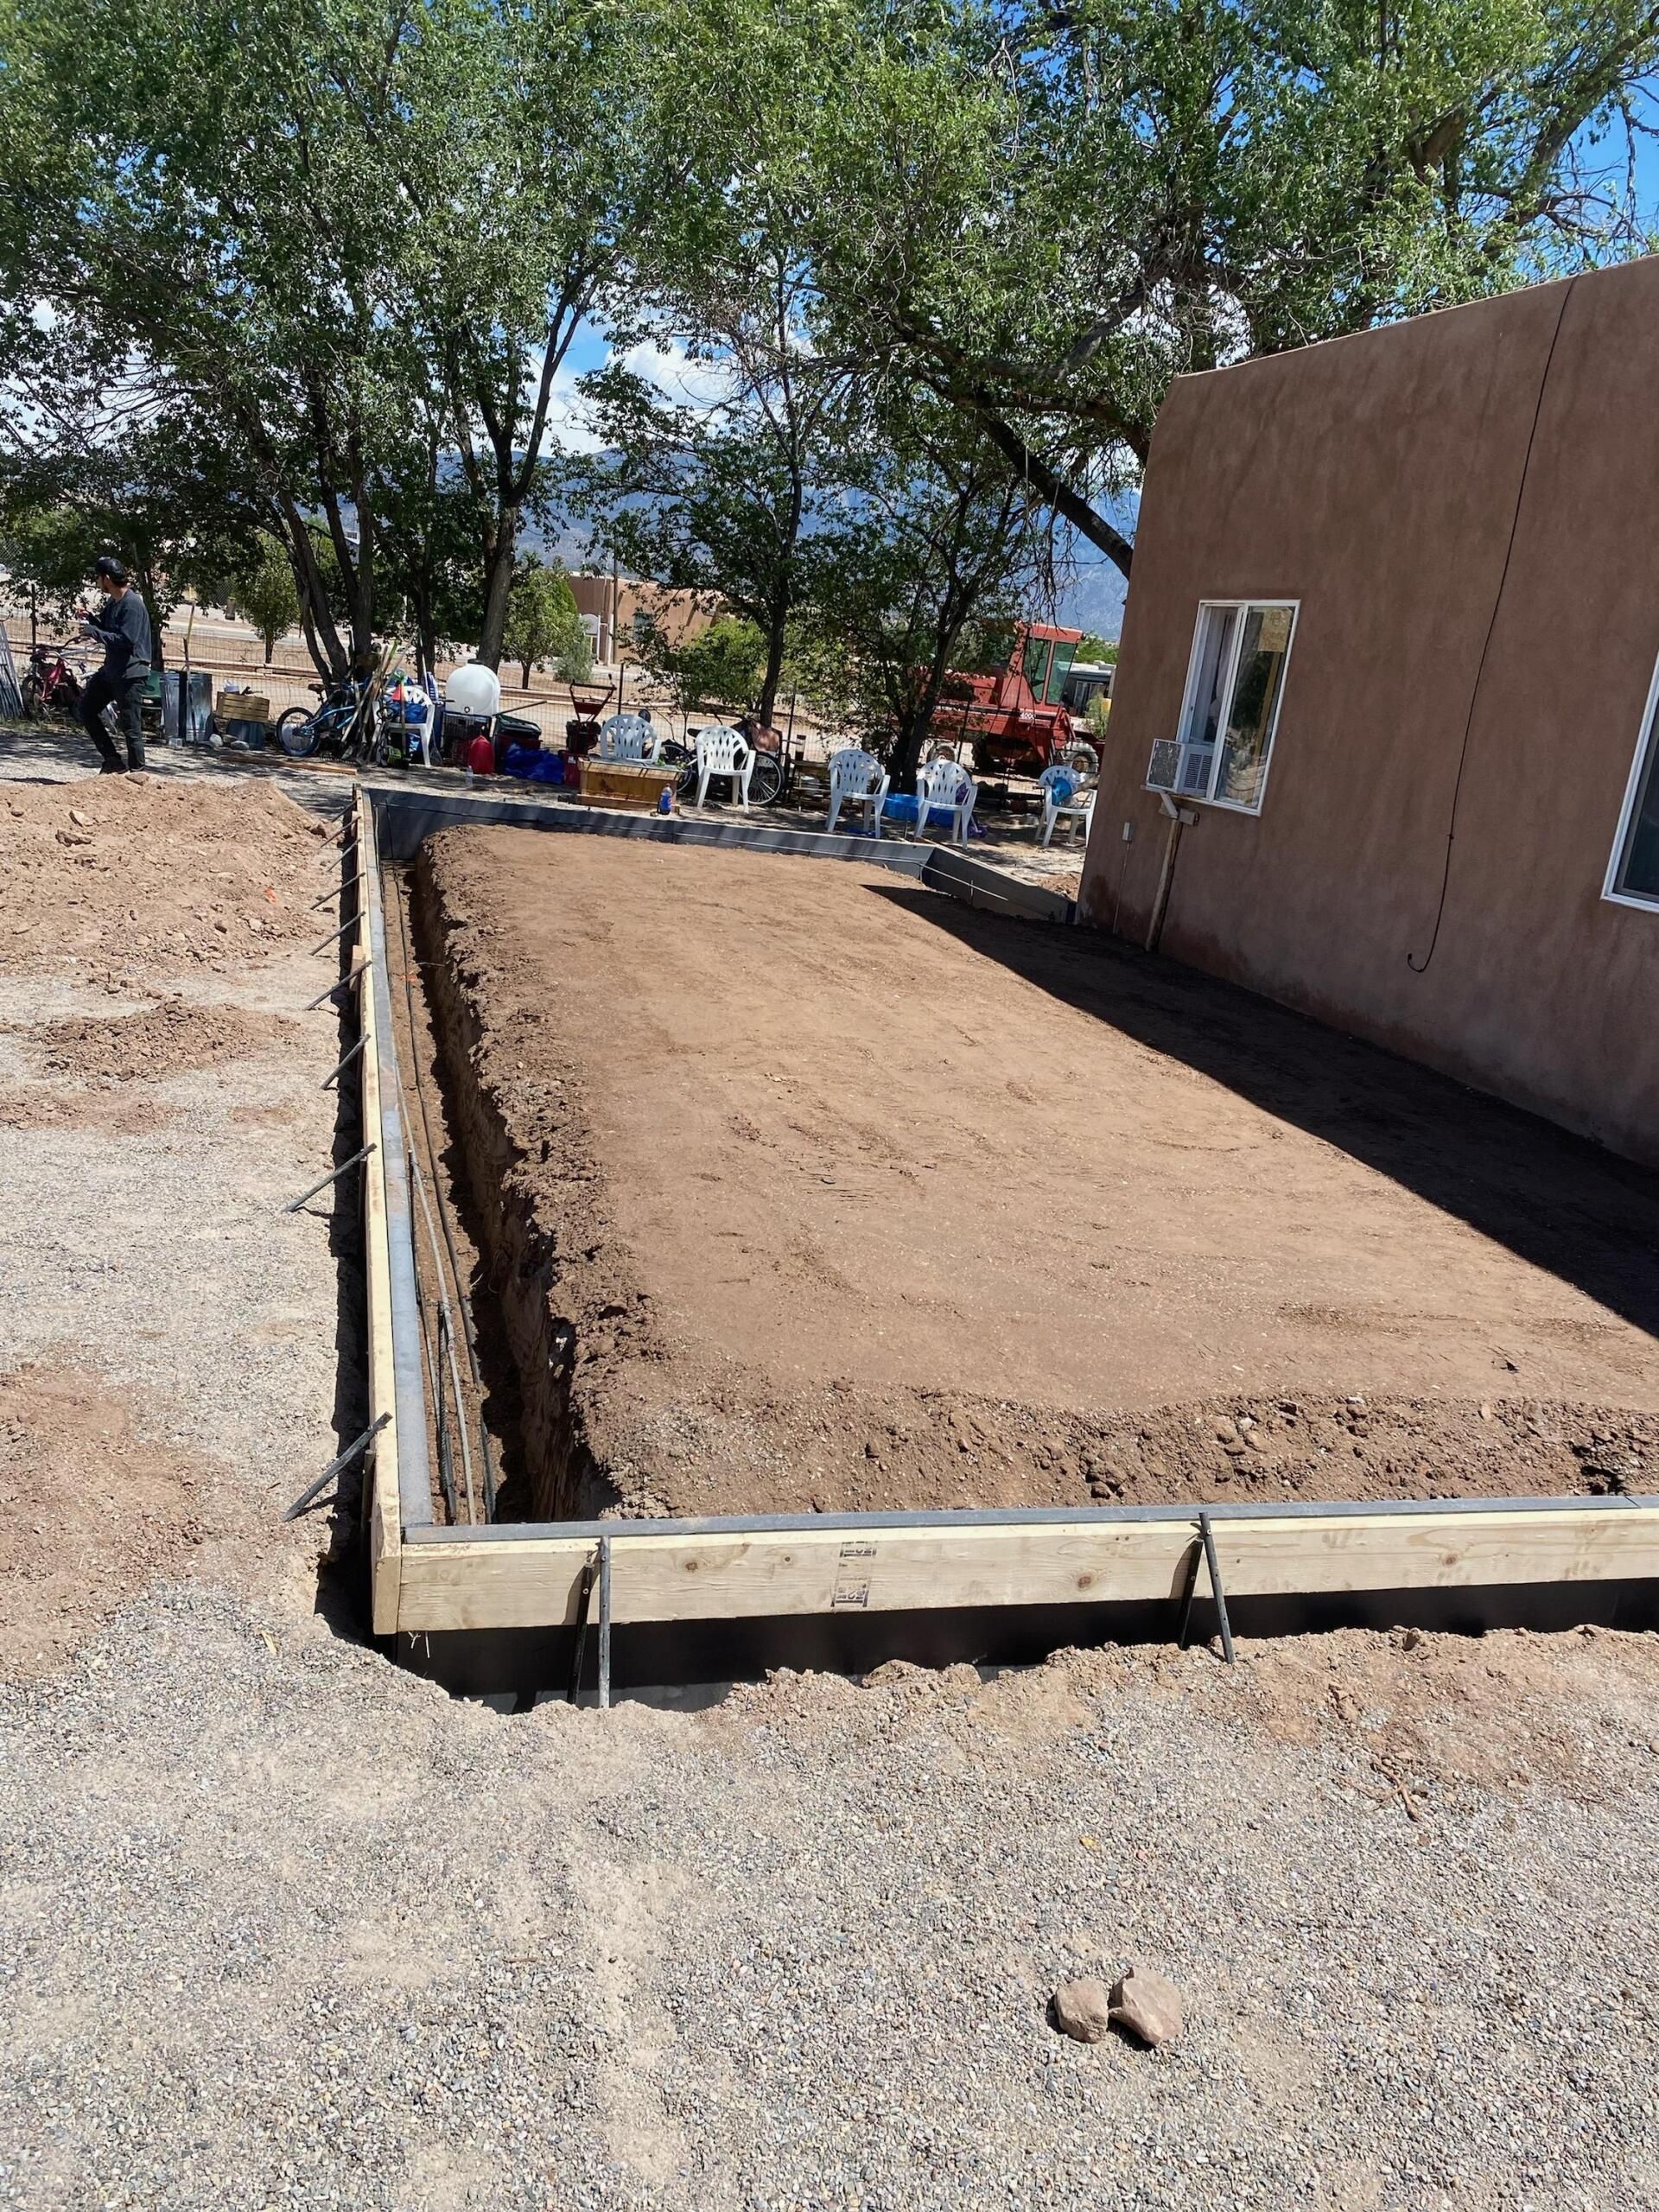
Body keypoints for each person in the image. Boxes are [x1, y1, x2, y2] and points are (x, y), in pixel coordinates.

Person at [78, 556, 152, 773]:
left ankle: (138, 774)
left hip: (130, 672)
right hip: (112, 670)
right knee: (86, 709)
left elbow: (126, 641)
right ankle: (112, 760)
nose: (96, 581)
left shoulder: (133, 605)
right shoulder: (113, 603)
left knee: (131, 727)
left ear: (107, 579)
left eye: (98, 577)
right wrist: (91, 620)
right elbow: (109, 631)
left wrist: (95, 633)